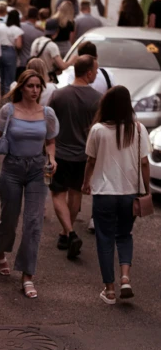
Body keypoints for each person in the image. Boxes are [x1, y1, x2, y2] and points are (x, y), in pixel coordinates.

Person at [0, 70, 59, 298]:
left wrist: (52, 158)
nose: (35, 90)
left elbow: (50, 143)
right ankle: (0, 252)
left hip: (38, 170)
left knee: (33, 222)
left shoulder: (47, 113)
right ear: (22, 87)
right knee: (9, 218)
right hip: (12, 168)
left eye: (38, 86)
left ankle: (27, 276)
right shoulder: (8, 110)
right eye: (30, 86)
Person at [82, 86, 150, 304]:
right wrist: (146, 190)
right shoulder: (138, 129)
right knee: (124, 235)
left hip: (104, 193)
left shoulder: (98, 130)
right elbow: (144, 163)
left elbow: (91, 160)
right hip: (129, 193)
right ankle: (125, 277)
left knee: (104, 239)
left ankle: (109, 290)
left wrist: (85, 182)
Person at [48, 55, 102, 259]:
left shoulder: (58, 95)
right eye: (95, 71)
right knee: (75, 194)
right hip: (83, 156)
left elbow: (48, 124)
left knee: (57, 194)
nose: (96, 74)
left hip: (59, 154)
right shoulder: (98, 98)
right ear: (88, 73)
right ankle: (65, 233)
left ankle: (68, 232)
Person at [0, 9, 23, 95]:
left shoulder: (0, 27)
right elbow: (19, 45)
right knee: (9, 79)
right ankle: (7, 98)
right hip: (10, 52)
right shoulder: (17, 30)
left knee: (0, 77)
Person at [17, 7, 43, 78]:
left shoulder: (20, 26)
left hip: (21, 62)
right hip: (34, 64)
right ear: (37, 16)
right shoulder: (40, 32)